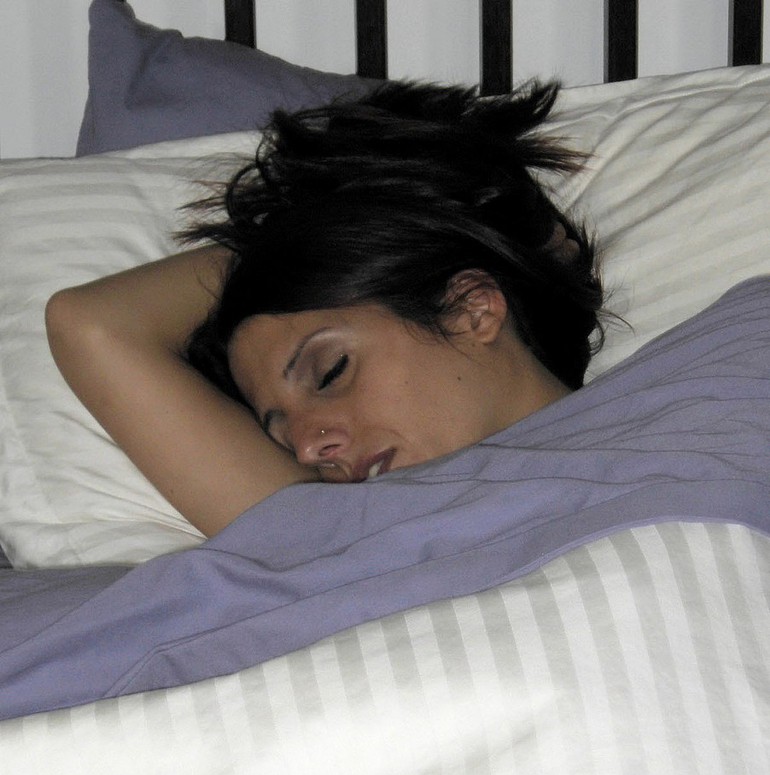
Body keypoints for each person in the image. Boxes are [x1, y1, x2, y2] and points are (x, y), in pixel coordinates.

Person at [45, 79, 604, 538]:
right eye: (281, 437)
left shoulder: (653, 415)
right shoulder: (337, 537)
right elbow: (91, 324)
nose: (311, 448)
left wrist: (393, 222)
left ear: (471, 309)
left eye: (331, 372)